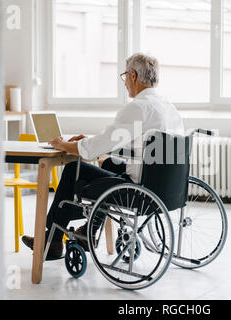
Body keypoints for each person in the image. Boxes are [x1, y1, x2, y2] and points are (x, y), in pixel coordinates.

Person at [21, 53, 185, 259]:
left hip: (138, 191)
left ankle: (53, 239)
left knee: (74, 169)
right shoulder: (168, 108)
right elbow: (125, 141)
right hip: (165, 190)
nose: (124, 83)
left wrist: (65, 145)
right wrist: (88, 141)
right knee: (108, 163)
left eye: (125, 76)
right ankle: (89, 229)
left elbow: (96, 148)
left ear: (133, 75)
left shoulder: (138, 107)